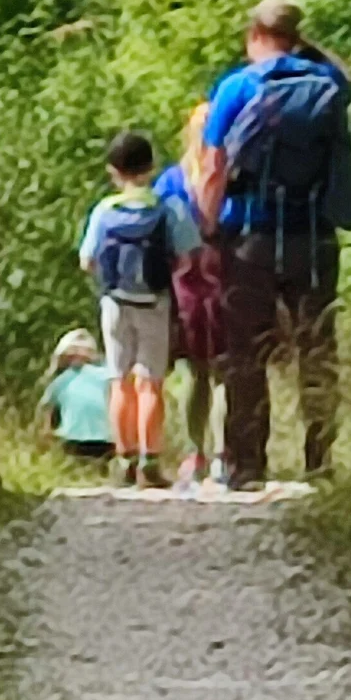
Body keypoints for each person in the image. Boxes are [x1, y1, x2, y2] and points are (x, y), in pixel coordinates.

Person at [201, 0, 351, 491]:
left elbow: (212, 169)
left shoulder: (238, 86)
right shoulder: (329, 84)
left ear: (254, 36)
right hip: (313, 236)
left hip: (250, 235)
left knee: (246, 352)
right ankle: (319, 459)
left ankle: (247, 465)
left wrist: (208, 228)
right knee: (317, 348)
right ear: (295, 36)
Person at [79, 128, 201, 488]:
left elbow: (87, 260)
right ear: (151, 167)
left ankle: (124, 459)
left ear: (112, 171)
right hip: (154, 302)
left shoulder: (104, 210)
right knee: (151, 383)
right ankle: (150, 461)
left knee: (120, 381)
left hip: (115, 303)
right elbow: (187, 254)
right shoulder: (168, 207)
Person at [154, 100, 225, 488]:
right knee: (226, 371)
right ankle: (224, 455)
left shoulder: (170, 181)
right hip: (226, 276)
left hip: (184, 283)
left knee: (194, 373)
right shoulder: (232, 176)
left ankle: (194, 452)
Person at [36, 328, 115, 462]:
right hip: (73, 436)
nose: (78, 354)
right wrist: (47, 428)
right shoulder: (63, 380)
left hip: (105, 436)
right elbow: (48, 404)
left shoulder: (103, 375)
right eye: (73, 350)